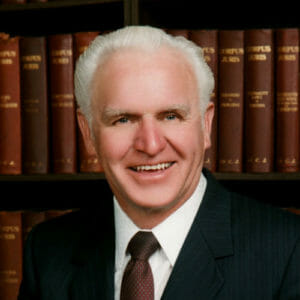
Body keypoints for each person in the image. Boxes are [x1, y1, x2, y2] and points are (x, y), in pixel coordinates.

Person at [18, 26, 300, 300]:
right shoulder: (46, 252)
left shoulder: (288, 251)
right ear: (88, 133)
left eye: (171, 116)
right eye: (123, 120)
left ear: (206, 124)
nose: (151, 145)